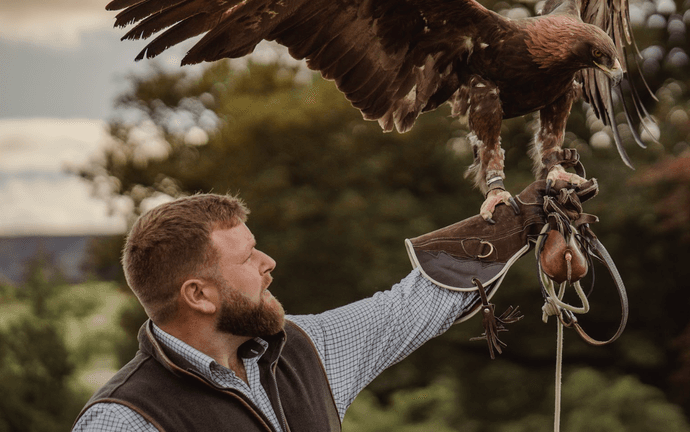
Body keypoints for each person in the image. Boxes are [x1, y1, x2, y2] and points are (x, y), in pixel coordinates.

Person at [71, 174, 594, 431]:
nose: (268, 263)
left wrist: (527, 212)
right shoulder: (126, 420)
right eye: (249, 257)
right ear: (199, 295)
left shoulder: (306, 348)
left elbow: (410, 306)